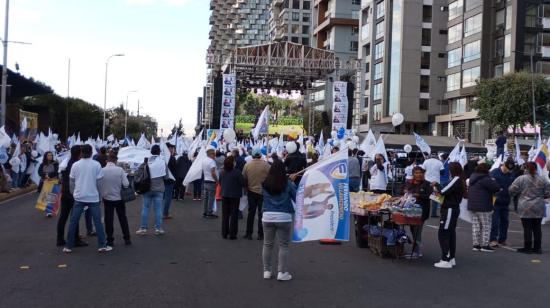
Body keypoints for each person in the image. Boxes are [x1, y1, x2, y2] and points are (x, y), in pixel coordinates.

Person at [63, 144, 111, 253]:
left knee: (73, 221)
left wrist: (73, 193)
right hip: (93, 197)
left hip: (79, 197)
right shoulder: (96, 165)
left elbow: (72, 182)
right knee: (97, 221)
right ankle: (102, 245)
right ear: (91, 153)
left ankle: (68, 246)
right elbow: (99, 183)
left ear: (81, 152)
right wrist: (100, 195)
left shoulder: (75, 165)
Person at [261, 160, 297, 281]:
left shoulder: (264, 183)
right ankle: (282, 272)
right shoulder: (287, 184)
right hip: (284, 216)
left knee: (267, 244)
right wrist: (292, 182)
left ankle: (266, 271)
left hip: (267, 215)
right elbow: (297, 197)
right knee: (283, 245)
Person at [509, 162, 550, 254]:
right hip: (539, 206)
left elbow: (511, 190)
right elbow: (548, 193)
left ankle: (527, 248)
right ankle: (537, 248)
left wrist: (518, 194)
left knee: (527, 228)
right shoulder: (543, 179)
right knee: (537, 228)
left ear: (525, 168)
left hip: (525, 206)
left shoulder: (521, 179)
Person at [432, 162, 465, 269]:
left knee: (443, 233)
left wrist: (436, 184)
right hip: (452, 208)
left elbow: (443, 191)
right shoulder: (459, 179)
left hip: (449, 209)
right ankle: (451, 258)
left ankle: (445, 259)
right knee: (450, 234)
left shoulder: (456, 179)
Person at [56, 145, 87, 247]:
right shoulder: (76, 164)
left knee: (63, 217)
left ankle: (60, 239)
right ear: (80, 153)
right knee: (75, 217)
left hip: (65, 192)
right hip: (73, 193)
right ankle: (75, 239)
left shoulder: (66, 162)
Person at [467, 163, 501, 252]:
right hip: (484, 206)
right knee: (486, 226)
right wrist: (493, 179)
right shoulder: (486, 179)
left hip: (472, 205)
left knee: (476, 225)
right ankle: (485, 245)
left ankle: (476, 244)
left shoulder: (472, 177)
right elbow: (496, 187)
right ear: (486, 170)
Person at [100, 153, 131, 246]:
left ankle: (110, 240)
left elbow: (99, 184)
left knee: (108, 219)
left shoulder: (102, 170)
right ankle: (127, 238)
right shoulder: (120, 170)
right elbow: (126, 184)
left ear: (107, 160)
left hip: (107, 198)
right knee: (122, 218)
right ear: (115, 161)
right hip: (119, 198)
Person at [136, 145, 168, 235]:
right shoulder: (163, 162)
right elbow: (166, 177)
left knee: (145, 208)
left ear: (151, 152)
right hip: (159, 189)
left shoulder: (146, 162)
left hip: (147, 188)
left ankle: (143, 228)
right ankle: (158, 229)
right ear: (159, 152)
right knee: (158, 209)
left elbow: (139, 173)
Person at [242, 147, 271, 240]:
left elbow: (244, 178)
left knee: (251, 213)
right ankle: (261, 234)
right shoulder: (267, 165)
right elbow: (271, 177)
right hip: (263, 192)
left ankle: (249, 233)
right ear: (260, 155)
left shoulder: (247, 165)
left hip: (251, 191)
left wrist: (245, 189)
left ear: (253, 155)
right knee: (261, 213)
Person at [404, 166, 432, 259]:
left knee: (417, 231)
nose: (418, 175)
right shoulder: (409, 183)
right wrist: (405, 192)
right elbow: (402, 191)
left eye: (420, 173)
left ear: (423, 174)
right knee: (413, 229)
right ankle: (415, 249)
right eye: (416, 173)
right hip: (410, 211)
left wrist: (419, 195)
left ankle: (417, 251)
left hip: (422, 212)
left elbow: (429, 196)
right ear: (413, 174)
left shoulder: (427, 184)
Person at [489, 159, 516, 247]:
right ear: (504, 165)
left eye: (510, 169)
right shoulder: (494, 173)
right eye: (507, 168)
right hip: (495, 202)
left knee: (505, 222)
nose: (508, 170)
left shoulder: (511, 174)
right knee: (495, 222)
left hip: (506, 201)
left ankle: (502, 239)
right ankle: (493, 239)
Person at [219, 156, 244, 239]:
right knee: (234, 215)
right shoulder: (237, 172)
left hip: (225, 194)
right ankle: (232, 234)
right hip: (235, 195)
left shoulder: (222, 172)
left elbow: (220, 182)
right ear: (233, 163)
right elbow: (243, 183)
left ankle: (224, 233)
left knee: (225, 215)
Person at [422, 153, 444, 217]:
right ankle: (433, 213)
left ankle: (425, 212)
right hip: (436, 182)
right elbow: (442, 172)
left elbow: (423, 170)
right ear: (436, 156)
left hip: (427, 182)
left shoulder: (426, 161)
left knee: (426, 197)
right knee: (436, 198)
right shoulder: (439, 162)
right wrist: (436, 172)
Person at [202, 147, 219, 218]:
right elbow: (213, 173)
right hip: (211, 181)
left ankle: (205, 212)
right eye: (214, 154)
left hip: (206, 180)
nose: (215, 155)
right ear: (211, 154)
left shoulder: (204, 160)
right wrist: (217, 180)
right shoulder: (212, 161)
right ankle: (209, 213)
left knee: (206, 198)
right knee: (211, 198)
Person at [163, 143, 177, 219]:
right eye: (171, 147)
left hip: (163, 180)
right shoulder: (171, 158)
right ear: (167, 148)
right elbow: (175, 169)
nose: (172, 149)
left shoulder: (162, 157)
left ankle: (161, 212)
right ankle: (165, 213)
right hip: (169, 180)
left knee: (162, 197)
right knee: (168, 197)